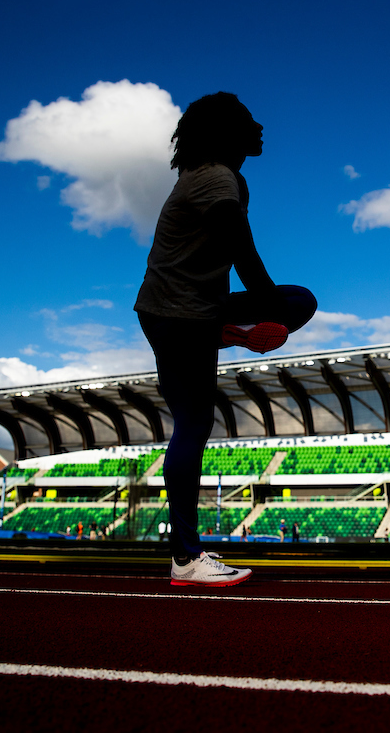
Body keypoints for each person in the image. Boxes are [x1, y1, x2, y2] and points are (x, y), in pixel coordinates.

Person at [135, 93, 316, 587]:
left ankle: (232, 333)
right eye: (247, 121)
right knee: (297, 301)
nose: (260, 127)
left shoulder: (215, 177)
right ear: (224, 132)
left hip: (177, 313)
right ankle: (187, 558)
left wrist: (264, 321)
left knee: (193, 424)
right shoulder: (216, 177)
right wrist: (274, 316)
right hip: (182, 315)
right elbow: (246, 259)